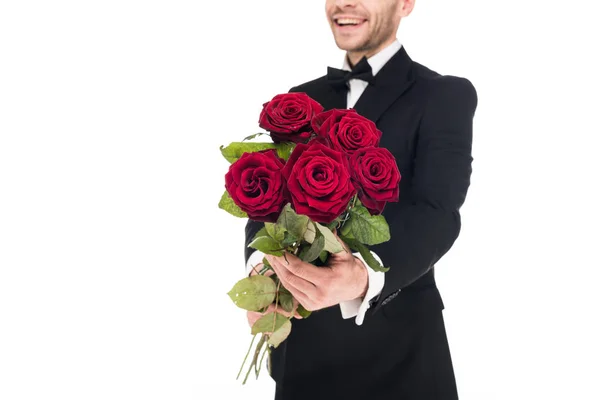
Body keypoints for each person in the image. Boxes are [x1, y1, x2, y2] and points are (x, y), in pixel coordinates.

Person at [244, 0, 478, 399]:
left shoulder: (444, 95)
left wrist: (362, 277)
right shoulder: (299, 101)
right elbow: (266, 202)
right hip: (303, 354)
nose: (345, 3)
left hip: (402, 356)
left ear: (405, 3)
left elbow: (437, 212)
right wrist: (260, 273)